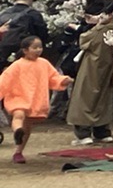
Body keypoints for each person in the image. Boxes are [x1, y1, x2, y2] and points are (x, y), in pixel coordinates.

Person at [1, 35, 71, 163]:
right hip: (18, 96)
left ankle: (19, 150)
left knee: (27, 126)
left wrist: (63, 80)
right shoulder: (17, 65)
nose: (38, 50)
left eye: (40, 47)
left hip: (35, 100)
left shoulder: (44, 63)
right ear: (25, 50)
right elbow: (3, 81)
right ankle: (18, 131)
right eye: (35, 47)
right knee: (19, 115)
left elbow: (54, 77)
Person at [67, 0, 113, 145]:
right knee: (103, 99)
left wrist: (97, 25)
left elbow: (84, 40)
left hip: (91, 68)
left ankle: (83, 134)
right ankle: (102, 131)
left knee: (84, 99)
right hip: (109, 68)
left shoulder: (101, 30)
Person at [0, 0, 49, 64]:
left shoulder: (4, 13)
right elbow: (42, 34)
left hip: (3, 50)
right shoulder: (33, 14)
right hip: (24, 51)